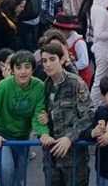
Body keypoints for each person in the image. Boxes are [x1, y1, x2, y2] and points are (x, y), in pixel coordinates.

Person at [0, 50, 50, 186]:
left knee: (19, 178)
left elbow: (38, 116)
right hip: (2, 134)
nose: (23, 72)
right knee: (6, 168)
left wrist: (44, 134)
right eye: (18, 68)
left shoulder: (39, 87)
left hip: (23, 137)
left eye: (27, 67)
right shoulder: (3, 86)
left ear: (33, 69)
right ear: (12, 70)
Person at [36, 42, 94, 186]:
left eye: (52, 59)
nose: (48, 64)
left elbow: (89, 115)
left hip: (74, 157)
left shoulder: (75, 83)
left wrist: (69, 138)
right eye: (44, 61)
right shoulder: (45, 86)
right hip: (51, 156)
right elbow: (41, 115)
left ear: (62, 60)